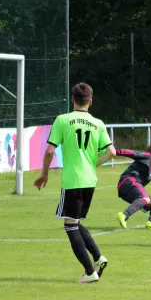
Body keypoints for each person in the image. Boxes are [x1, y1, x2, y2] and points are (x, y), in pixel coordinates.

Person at [34, 83, 116, 283]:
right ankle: (98, 257)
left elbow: (50, 150)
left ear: (72, 99)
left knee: (70, 225)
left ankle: (89, 273)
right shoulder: (98, 123)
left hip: (72, 180)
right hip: (90, 180)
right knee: (75, 222)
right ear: (90, 101)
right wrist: (94, 163)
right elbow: (112, 152)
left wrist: (44, 173)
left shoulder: (63, 120)